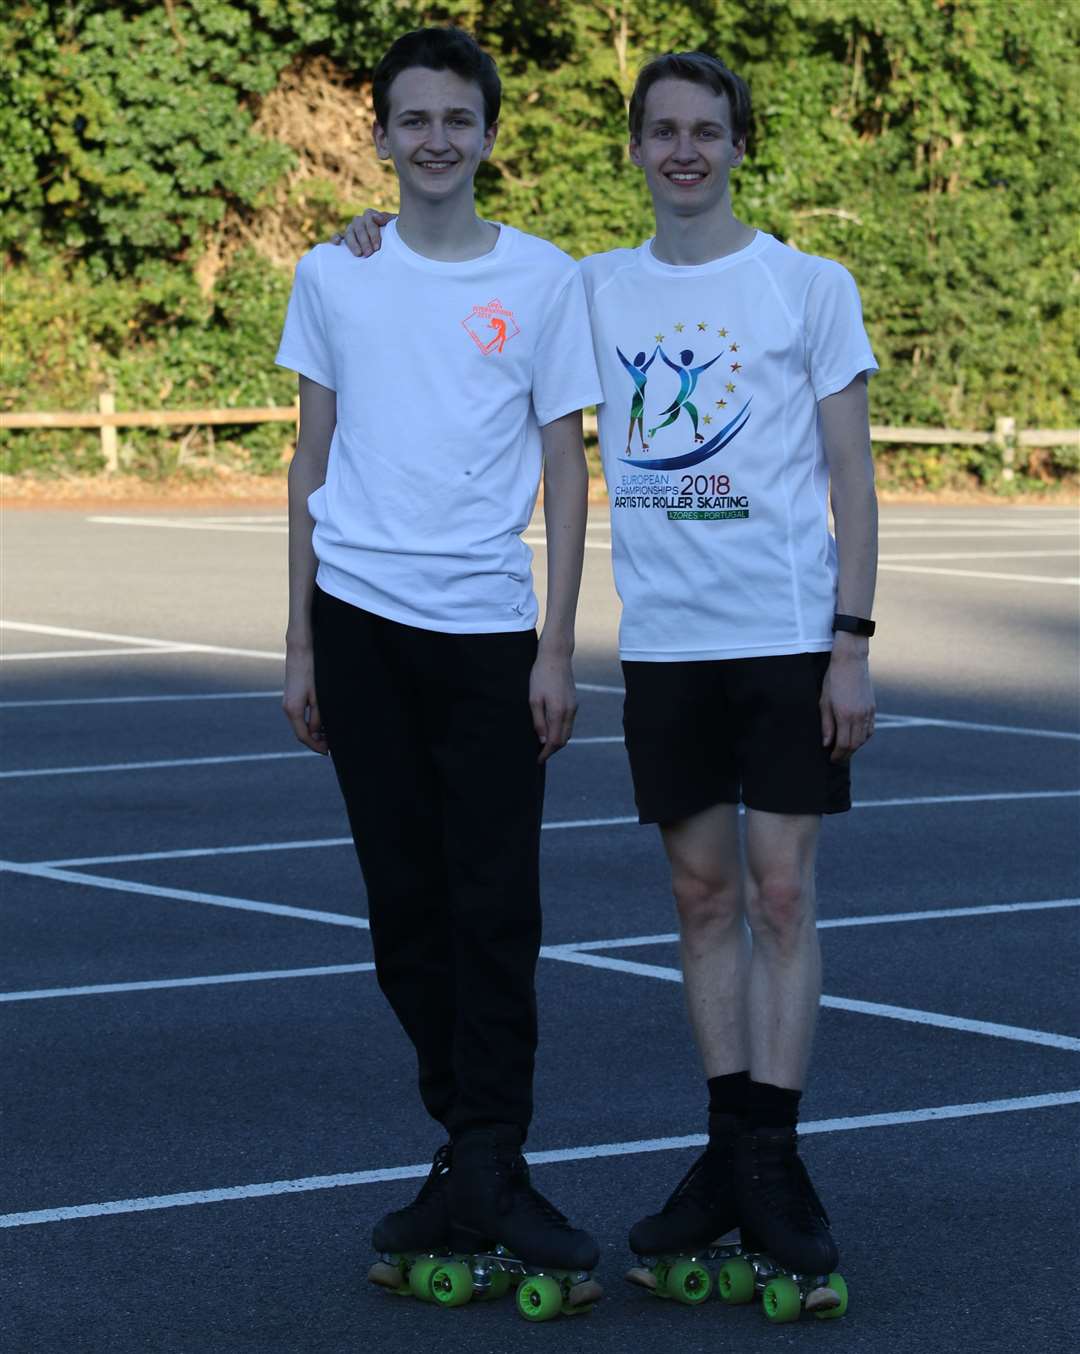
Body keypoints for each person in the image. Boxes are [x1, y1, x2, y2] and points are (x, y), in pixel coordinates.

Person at [338, 47, 878, 1303]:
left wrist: (853, 637)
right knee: (701, 900)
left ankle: (773, 1161)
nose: (685, 149)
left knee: (783, 894)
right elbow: (449, 266)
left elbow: (852, 471)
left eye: (708, 129)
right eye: (663, 131)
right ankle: (728, 1151)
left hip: (791, 633)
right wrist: (375, 233)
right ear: (633, 151)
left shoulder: (810, 286)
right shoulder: (586, 290)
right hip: (670, 645)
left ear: (740, 144)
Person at [277, 26, 604, 1291]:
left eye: (456, 119)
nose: (434, 139)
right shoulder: (334, 273)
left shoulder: (545, 281)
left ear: (486, 134)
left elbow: (567, 468)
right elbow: (308, 463)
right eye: (411, 119)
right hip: (358, 624)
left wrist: (558, 646)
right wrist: (299, 634)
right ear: (379, 137)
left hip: (486, 637)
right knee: (405, 914)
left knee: (496, 911)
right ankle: (472, 1160)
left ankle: (491, 1165)